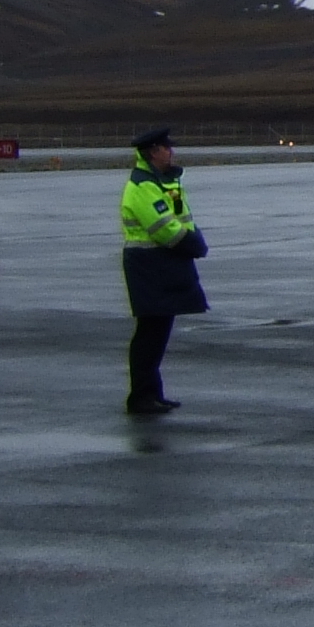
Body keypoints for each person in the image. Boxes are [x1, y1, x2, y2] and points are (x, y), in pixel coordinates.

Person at [120, 126, 206, 415]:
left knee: (157, 331)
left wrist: (193, 237)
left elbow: (181, 217)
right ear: (153, 152)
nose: (171, 151)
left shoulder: (166, 183)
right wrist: (191, 243)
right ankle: (141, 396)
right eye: (166, 148)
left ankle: (151, 392)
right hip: (149, 265)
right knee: (149, 332)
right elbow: (164, 229)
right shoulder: (143, 186)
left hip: (163, 264)